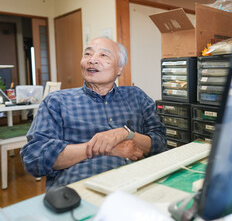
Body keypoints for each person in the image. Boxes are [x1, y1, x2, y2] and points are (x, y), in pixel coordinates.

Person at [20, 37, 167, 189]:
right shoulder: (56, 101)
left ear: (120, 68)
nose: (92, 60)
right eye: (88, 54)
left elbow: (161, 143)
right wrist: (105, 149)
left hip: (139, 184)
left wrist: (127, 134)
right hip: (79, 189)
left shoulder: (136, 96)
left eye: (103, 55)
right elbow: (34, 158)